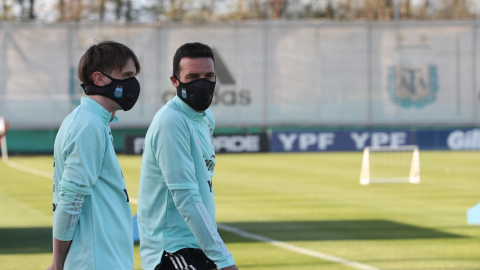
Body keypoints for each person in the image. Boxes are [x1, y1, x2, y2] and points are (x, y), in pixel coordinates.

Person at [137, 42, 238, 270]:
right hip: (173, 250)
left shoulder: (206, 117)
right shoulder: (171, 121)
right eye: (193, 77)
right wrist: (225, 260)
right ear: (175, 81)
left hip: (197, 246)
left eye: (209, 76)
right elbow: (186, 196)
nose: (203, 83)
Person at [48, 41, 141, 270]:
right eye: (127, 75)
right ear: (99, 79)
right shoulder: (89, 125)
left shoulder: (91, 121)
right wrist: (57, 263)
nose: (134, 84)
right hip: (96, 261)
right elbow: (70, 199)